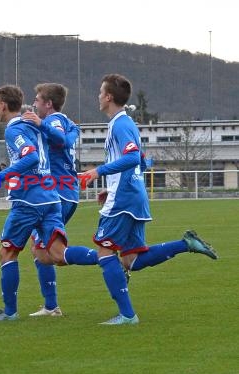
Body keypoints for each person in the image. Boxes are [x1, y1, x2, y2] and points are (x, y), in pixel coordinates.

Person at [78, 74, 218, 325]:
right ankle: (185, 244)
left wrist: (97, 172)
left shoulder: (120, 124)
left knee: (105, 251)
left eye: (100, 92)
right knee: (131, 259)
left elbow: (133, 159)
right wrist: (112, 187)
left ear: (109, 97)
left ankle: (127, 315)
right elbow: (141, 161)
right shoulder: (123, 123)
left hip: (124, 200)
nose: (98, 96)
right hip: (132, 196)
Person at [0, 84, 69, 321]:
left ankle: (9, 312)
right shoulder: (33, 123)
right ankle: (103, 259)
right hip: (50, 197)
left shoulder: (14, 129)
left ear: (2, 105)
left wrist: (0, 176)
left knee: (7, 252)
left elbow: (30, 157)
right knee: (54, 254)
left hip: (28, 200)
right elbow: (59, 141)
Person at [21, 83, 80, 317]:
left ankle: (102, 258)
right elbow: (70, 136)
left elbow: (62, 141)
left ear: (48, 103)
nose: (34, 104)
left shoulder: (54, 120)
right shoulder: (66, 121)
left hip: (58, 193)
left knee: (47, 251)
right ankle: (50, 305)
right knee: (41, 249)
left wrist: (40, 123)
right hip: (65, 192)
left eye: (37, 100)